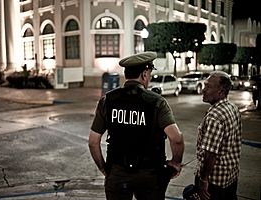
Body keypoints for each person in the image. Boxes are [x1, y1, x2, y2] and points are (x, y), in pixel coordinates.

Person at [88, 51, 184, 200]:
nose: (150, 77)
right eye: (150, 73)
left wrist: (105, 169)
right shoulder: (157, 102)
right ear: (144, 74)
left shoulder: (107, 100)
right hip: (150, 175)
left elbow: (93, 142)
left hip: (117, 172)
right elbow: (176, 138)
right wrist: (176, 163)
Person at [195, 71, 242, 200]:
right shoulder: (232, 108)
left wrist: (203, 180)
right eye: (204, 85)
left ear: (221, 91)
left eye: (208, 87)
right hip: (230, 177)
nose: (203, 90)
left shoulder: (215, 116)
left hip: (213, 182)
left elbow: (210, 154)